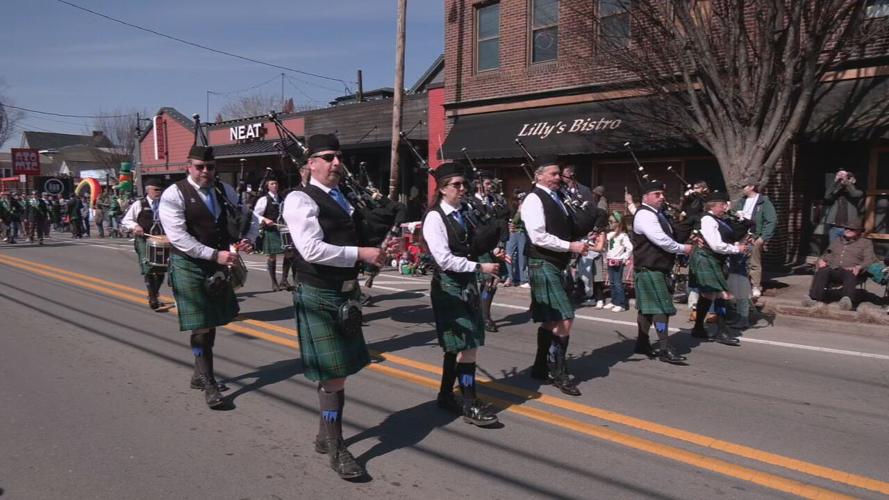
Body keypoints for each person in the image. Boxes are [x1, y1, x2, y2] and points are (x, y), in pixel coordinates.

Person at [282, 133, 385, 480]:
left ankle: (325, 435)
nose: (336, 163)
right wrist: (360, 253)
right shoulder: (300, 199)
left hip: (345, 293)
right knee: (335, 377)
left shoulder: (342, 197)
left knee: (335, 375)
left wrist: (374, 249)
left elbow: (349, 238)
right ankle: (337, 446)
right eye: (328, 157)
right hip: (319, 293)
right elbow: (311, 250)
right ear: (311, 163)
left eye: (338, 157)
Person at [158, 142, 257, 409]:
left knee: (211, 322)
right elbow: (178, 237)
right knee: (201, 324)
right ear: (188, 166)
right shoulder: (174, 194)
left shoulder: (224, 190)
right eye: (200, 166)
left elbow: (249, 217)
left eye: (210, 167)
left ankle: (199, 374)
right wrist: (215, 255)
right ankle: (210, 384)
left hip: (217, 264)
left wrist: (248, 238)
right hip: (189, 264)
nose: (205, 171)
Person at [423, 161, 501, 427]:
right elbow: (444, 259)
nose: (462, 188)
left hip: (467, 283)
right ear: (443, 189)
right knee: (467, 346)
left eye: (463, 184)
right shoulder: (435, 217)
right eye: (456, 185)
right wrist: (481, 266)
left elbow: (474, 243)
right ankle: (469, 403)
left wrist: (491, 253)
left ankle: (445, 395)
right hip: (448, 286)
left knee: (455, 346)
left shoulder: (465, 212)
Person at [521, 156, 594, 396]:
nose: (557, 178)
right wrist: (571, 247)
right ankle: (559, 372)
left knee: (551, 320)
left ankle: (541, 366)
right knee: (565, 317)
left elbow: (569, 226)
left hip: (555, 262)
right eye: (553, 174)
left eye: (558, 174)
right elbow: (538, 236)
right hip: (542, 262)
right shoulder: (533, 199)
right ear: (539, 176)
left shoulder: (559, 197)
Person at [632, 180, 693, 364]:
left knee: (647, 310)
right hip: (650, 268)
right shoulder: (645, 215)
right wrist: (683, 249)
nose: (661, 197)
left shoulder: (658, 214)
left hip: (657, 268)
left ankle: (642, 343)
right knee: (661, 309)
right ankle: (665, 348)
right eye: (657, 194)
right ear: (645, 197)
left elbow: (672, 234)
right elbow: (661, 240)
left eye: (662, 194)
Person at [689, 192, 749, 346]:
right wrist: (736, 249)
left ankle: (698, 328)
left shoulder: (718, 219)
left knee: (709, 294)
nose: (725, 207)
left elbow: (723, 239)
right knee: (723, 293)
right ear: (713, 206)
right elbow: (715, 244)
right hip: (707, 257)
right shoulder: (708, 220)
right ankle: (721, 331)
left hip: (714, 258)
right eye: (723, 205)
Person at [468, 170, 509, 332]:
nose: (490, 185)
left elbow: (504, 222)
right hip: (479, 247)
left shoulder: (497, 201)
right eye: (486, 183)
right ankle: (480, 315)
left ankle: (484, 314)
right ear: (478, 184)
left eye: (491, 182)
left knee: (493, 282)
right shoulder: (469, 202)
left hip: (496, 247)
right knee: (484, 281)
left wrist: (501, 244)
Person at [121, 178, 169, 310]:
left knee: (161, 268)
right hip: (144, 240)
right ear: (148, 190)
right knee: (148, 267)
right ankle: (153, 298)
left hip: (162, 240)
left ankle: (153, 295)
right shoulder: (139, 204)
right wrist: (135, 226)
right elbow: (126, 220)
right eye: (156, 189)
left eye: (161, 190)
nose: (159, 192)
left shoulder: (166, 204)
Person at [803, 224, 876, 310]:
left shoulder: (865, 243)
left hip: (851, 271)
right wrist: (821, 260)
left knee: (850, 273)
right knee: (823, 271)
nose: (848, 230)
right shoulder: (837, 240)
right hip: (833, 269)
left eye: (852, 229)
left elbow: (869, 260)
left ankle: (846, 300)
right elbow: (826, 254)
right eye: (846, 228)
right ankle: (813, 298)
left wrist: (859, 267)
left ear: (859, 231)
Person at [733, 183, 776, 298]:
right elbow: (733, 215)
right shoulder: (741, 202)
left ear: (751, 187)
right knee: (739, 261)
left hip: (755, 236)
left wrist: (763, 238)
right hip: (740, 235)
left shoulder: (763, 202)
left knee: (754, 262)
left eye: (744, 186)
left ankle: (755, 286)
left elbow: (771, 220)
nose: (742, 189)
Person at [252, 178, 286, 291]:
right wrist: (265, 219)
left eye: (276, 183)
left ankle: (284, 280)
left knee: (289, 253)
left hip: (282, 230)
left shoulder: (282, 198)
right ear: (268, 186)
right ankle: (274, 282)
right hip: (270, 230)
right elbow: (255, 215)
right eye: (272, 183)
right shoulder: (263, 199)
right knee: (272, 256)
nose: (275, 185)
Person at [824, 170, 864, 242]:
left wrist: (846, 182)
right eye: (844, 178)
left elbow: (854, 194)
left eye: (848, 178)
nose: (845, 179)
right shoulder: (837, 191)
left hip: (849, 228)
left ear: (854, 180)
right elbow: (827, 196)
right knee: (833, 248)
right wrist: (836, 181)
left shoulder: (859, 191)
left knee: (846, 249)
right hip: (834, 226)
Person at [605, 212, 633, 312]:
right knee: (611, 282)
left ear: (618, 223)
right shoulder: (609, 234)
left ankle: (621, 304)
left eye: (611, 221)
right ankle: (614, 301)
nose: (610, 223)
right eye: (609, 221)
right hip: (610, 260)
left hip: (618, 261)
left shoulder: (623, 236)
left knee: (617, 283)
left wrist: (624, 258)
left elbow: (630, 247)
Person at [505, 190, 529, 288]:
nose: (522, 201)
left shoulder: (526, 208)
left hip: (522, 232)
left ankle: (522, 280)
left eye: (523, 199)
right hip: (512, 233)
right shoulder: (512, 208)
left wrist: (520, 211)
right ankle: (510, 277)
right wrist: (519, 211)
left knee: (522, 257)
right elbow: (512, 221)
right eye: (520, 199)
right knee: (508, 255)